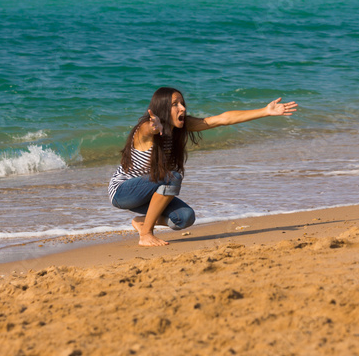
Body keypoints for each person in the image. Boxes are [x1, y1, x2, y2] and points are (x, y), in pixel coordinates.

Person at [108, 87, 298, 246]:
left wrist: (265, 111)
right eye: (175, 104)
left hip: (148, 192)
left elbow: (223, 119)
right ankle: (146, 235)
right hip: (123, 192)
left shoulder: (181, 127)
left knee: (184, 218)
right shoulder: (145, 129)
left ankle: (141, 222)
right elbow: (148, 129)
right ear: (162, 108)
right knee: (172, 176)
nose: (182, 108)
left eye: (182, 103)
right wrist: (154, 126)